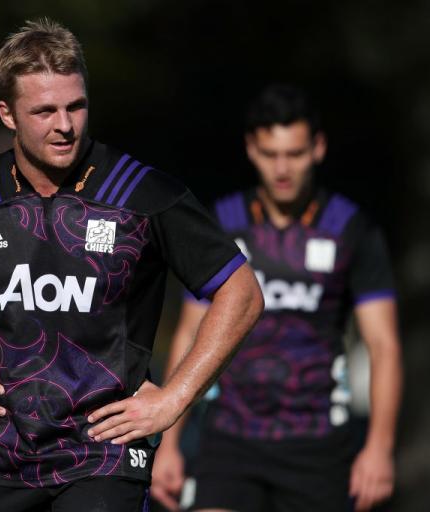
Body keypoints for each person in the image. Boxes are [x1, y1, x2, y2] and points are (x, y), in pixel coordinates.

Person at [0, 18, 263, 512]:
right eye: (44, 111)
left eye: (76, 106)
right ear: (8, 114)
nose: (64, 125)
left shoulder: (142, 194)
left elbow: (241, 292)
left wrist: (175, 398)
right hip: (3, 456)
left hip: (104, 452)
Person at [151, 84, 403, 512]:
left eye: (295, 153)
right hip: (230, 436)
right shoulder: (222, 224)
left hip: (319, 442)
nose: (282, 168)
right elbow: (190, 334)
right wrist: (169, 442)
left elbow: (384, 346)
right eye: (270, 154)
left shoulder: (352, 230)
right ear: (251, 149)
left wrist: (379, 448)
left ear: (318, 148)